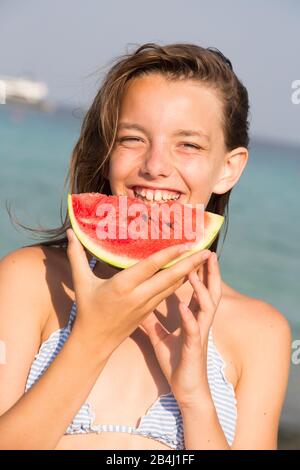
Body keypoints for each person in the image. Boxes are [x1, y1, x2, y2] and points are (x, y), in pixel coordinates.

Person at [0, 42, 291, 450]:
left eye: (188, 144)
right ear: (107, 153)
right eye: (132, 139)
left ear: (228, 168)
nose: (155, 166)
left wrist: (195, 399)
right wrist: (91, 339)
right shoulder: (30, 281)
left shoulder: (261, 334)